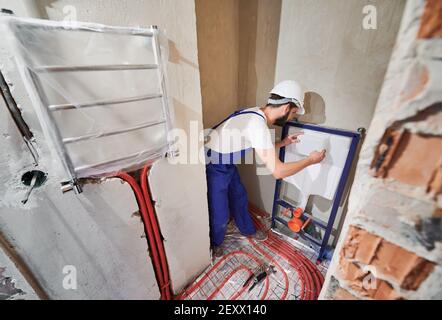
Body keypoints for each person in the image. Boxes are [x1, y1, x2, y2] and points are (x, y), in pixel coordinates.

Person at [204, 80, 326, 256]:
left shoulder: (256, 113)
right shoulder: (258, 125)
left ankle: (247, 230)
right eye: (293, 113)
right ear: (285, 108)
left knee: (239, 196)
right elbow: (278, 172)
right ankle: (215, 244)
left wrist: (283, 143)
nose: (292, 118)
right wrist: (310, 160)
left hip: (226, 161)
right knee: (220, 212)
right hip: (213, 163)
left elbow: (261, 147)